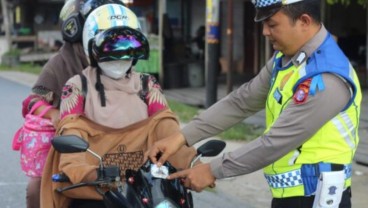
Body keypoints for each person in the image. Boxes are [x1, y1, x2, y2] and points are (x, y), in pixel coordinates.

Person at [147, 0, 362, 207]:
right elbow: (242, 101)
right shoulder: (288, 58)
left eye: (272, 24)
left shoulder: (327, 77)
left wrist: (212, 170)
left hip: (319, 199)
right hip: (291, 197)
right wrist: (182, 137)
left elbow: (275, 143)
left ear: (304, 21)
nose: (265, 32)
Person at [40, 4, 197, 208]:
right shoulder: (77, 86)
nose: (120, 55)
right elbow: (71, 130)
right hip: (97, 188)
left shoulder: (147, 85)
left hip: (146, 187)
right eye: (110, 47)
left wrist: (193, 164)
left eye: (128, 46)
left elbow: (167, 128)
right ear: (90, 46)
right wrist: (82, 169)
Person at [20, 1, 128, 208]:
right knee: (36, 188)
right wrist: (54, 114)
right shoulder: (62, 63)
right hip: (74, 148)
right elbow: (33, 100)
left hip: (121, 145)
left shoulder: (123, 60)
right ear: (77, 29)